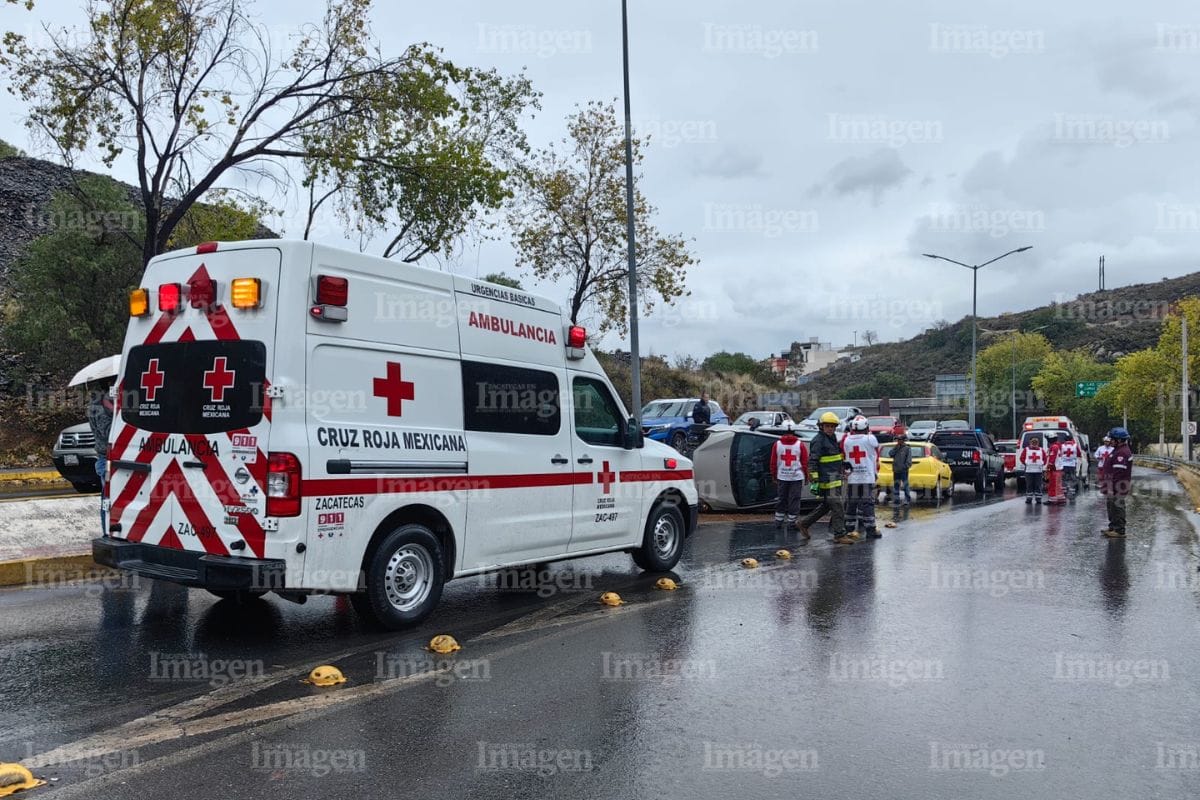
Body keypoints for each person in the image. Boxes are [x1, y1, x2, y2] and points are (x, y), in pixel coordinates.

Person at [798, 411, 850, 543]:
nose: (831, 429)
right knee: (837, 506)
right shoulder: (818, 440)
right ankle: (839, 534)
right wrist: (814, 476)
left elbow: (835, 457)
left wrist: (843, 467)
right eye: (828, 426)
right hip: (826, 480)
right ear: (821, 426)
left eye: (833, 426)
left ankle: (804, 523)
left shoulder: (832, 439)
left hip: (834, 477)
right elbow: (813, 460)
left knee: (827, 506)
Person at [842, 415, 882, 538]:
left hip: (853, 477)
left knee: (852, 502)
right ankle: (870, 529)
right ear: (866, 427)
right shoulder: (870, 438)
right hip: (866, 477)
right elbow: (875, 449)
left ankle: (848, 528)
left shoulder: (847, 440)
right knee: (867, 503)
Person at [86, 380, 115, 535]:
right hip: (107, 458)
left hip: (106, 457)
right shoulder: (101, 405)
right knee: (107, 500)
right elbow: (109, 432)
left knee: (108, 498)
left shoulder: (101, 403)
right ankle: (107, 533)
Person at [770, 423, 809, 534]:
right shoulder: (799, 444)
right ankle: (792, 523)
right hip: (796, 477)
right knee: (794, 499)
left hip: (782, 477)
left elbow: (773, 462)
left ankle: (778, 521)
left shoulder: (777, 444)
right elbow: (804, 462)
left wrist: (774, 475)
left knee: (782, 498)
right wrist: (806, 476)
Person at [1100, 427, 1133, 538]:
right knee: (1111, 506)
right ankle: (1113, 526)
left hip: (1118, 485)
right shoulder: (1117, 450)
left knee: (1118, 506)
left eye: (1112, 439)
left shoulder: (1122, 453)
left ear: (1118, 440)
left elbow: (1118, 473)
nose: (1110, 441)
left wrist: (1113, 487)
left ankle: (1119, 530)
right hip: (1112, 484)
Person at [1018, 435, 1047, 504]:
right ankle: (1032, 498)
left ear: (1037, 443)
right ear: (1031, 442)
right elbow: (1022, 458)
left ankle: (1035, 498)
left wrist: (1026, 463)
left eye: (1035, 442)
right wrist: (1026, 463)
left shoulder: (1040, 450)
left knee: (1034, 484)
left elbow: (1044, 459)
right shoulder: (1027, 450)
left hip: (1033, 470)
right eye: (1033, 442)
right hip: (1032, 470)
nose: (1034, 443)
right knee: (1033, 484)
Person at [890, 430, 913, 506]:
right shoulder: (896, 448)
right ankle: (896, 499)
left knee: (905, 485)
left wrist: (905, 466)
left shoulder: (907, 448)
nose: (898, 441)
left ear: (903, 440)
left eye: (900, 440)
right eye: (898, 440)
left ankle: (907, 499)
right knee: (896, 485)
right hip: (896, 470)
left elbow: (909, 460)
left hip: (903, 470)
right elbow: (890, 454)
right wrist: (896, 448)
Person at [1056, 435, 1079, 500]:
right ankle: (1072, 492)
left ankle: (1064, 492)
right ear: (1071, 439)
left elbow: (1059, 454)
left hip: (1063, 465)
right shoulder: (1075, 445)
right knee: (1072, 479)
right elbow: (1079, 454)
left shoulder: (1062, 446)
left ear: (1065, 440)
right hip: (1072, 465)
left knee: (1063, 478)